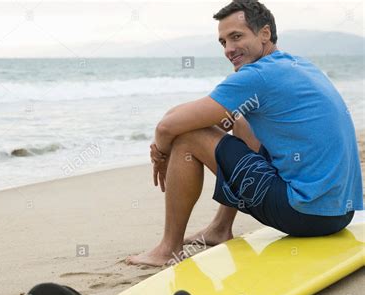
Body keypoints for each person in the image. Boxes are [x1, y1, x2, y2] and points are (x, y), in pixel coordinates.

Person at [126, 0, 363, 266]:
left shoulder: (256, 76)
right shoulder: (295, 64)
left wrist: (160, 155)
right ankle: (219, 228)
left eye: (236, 37)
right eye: (223, 42)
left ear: (264, 33)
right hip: (340, 213)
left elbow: (166, 127)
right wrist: (171, 136)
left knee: (188, 138)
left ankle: (168, 248)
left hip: (305, 215)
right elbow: (194, 116)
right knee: (238, 121)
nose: (228, 49)